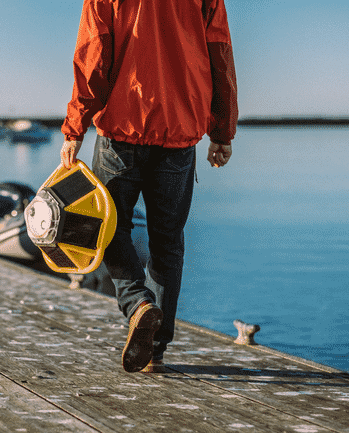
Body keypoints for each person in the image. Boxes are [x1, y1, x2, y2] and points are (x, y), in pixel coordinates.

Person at [60, 0, 238, 373]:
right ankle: (155, 351)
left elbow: (93, 52)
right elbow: (219, 52)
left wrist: (75, 126)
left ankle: (139, 304)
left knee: (106, 227)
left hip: (122, 129)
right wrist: (221, 131)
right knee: (167, 241)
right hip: (179, 130)